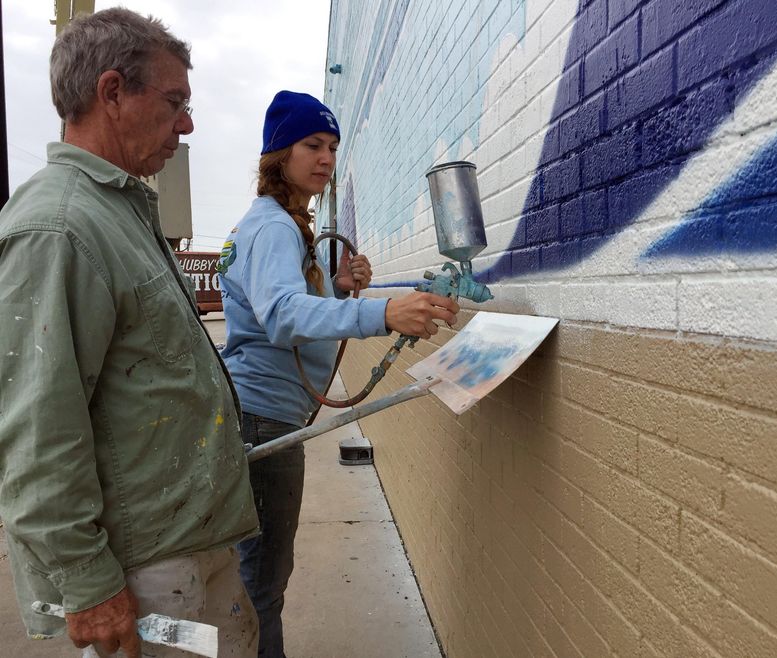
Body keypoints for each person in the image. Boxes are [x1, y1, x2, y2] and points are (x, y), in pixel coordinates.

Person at [0, 9, 260, 657]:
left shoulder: (119, 210)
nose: (188, 124)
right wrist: (86, 582)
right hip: (146, 578)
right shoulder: (58, 228)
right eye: (175, 102)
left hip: (183, 553)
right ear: (112, 92)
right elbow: (36, 431)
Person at [218, 91, 459, 657]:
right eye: (311, 145)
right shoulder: (275, 227)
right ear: (278, 153)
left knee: (256, 577)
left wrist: (338, 283)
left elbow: (275, 298)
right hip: (263, 420)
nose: (325, 159)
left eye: (331, 147)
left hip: (260, 413)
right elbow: (279, 314)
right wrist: (381, 311)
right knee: (262, 586)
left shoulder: (275, 223)